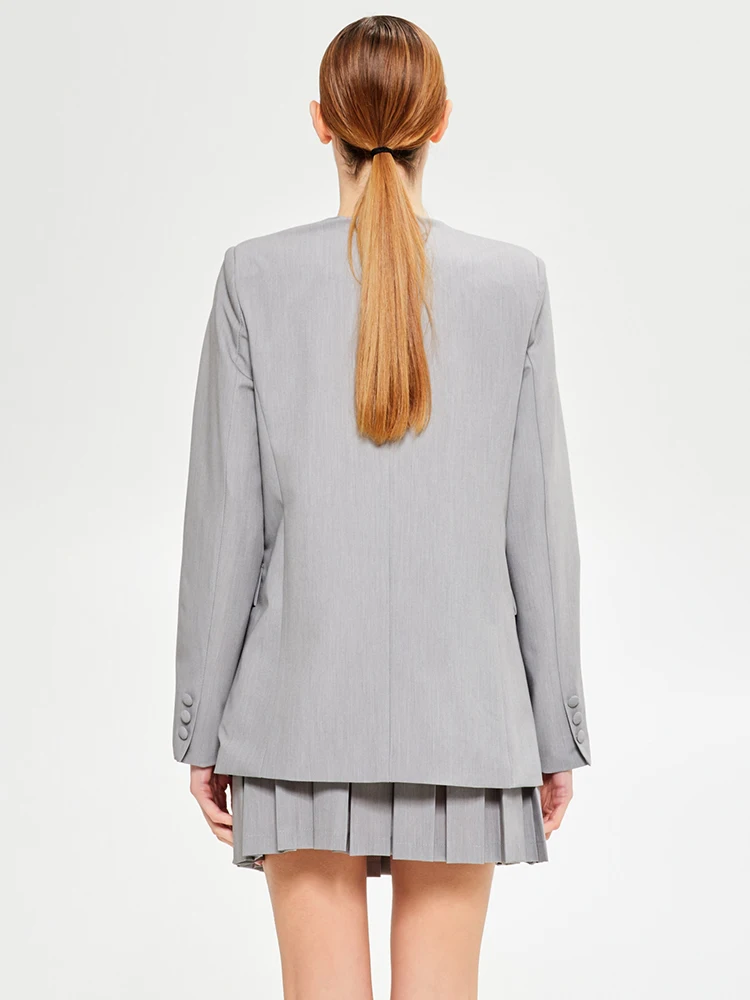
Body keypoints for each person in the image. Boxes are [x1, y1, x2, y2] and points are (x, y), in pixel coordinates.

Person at [172, 14, 592, 1000]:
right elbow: (538, 534)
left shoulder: (252, 278)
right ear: (440, 123)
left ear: (321, 122)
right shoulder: (514, 284)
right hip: (471, 722)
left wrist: (202, 730)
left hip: (293, 718)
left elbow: (225, 530)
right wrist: (555, 730)